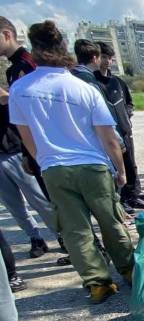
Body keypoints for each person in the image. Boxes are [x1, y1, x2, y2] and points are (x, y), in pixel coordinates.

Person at [9, 20, 135, 304]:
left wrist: (43, 160)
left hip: (53, 168)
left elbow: (26, 135)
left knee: (75, 229)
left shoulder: (21, 89)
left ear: (35, 50)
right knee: (111, 221)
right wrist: (120, 170)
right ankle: (128, 271)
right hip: (92, 166)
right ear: (63, 49)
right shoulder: (82, 89)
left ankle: (97, 283)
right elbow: (109, 137)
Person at [0, 16, 58, 259]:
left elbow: (38, 109)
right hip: (22, 149)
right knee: (22, 203)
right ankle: (41, 238)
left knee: (46, 200)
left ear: (6, 34)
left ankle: (68, 239)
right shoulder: (13, 69)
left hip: (36, 148)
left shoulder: (28, 64)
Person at [95, 41, 144, 209]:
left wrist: (127, 114)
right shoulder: (93, 83)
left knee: (130, 164)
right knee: (116, 167)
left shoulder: (117, 82)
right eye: (103, 57)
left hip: (124, 131)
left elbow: (129, 103)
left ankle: (133, 194)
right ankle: (121, 200)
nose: (107, 61)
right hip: (107, 134)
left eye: (110, 58)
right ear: (96, 58)